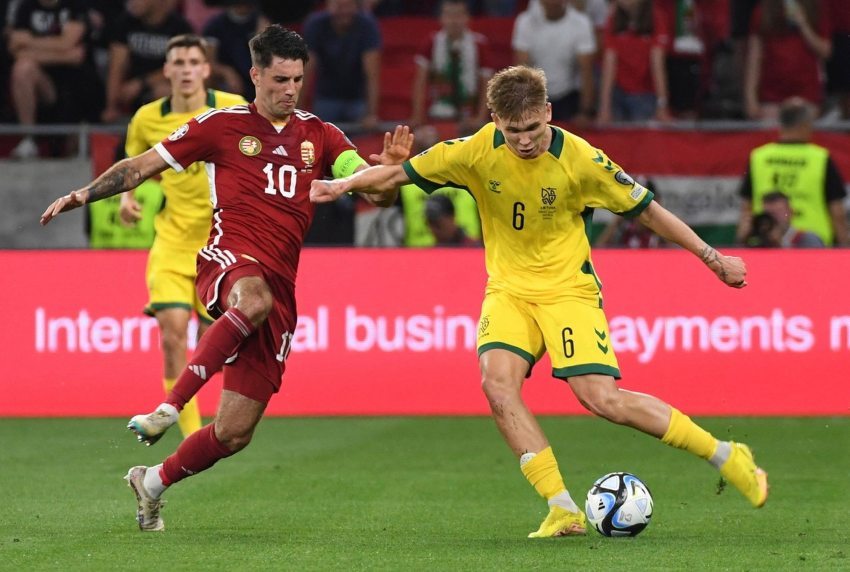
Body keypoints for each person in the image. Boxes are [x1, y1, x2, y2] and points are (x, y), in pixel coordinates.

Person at [311, 65, 768, 538]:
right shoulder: (473, 151)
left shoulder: (583, 160)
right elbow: (397, 175)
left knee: (602, 400)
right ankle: (562, 507)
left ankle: (727, 455)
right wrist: (342, 184)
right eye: (514, 132)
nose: (526, 140)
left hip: (568, 290)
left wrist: (712, 258)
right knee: (497, 385)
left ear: (548, 113)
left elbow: (648, 211)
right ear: (495, 121)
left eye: (534, 128)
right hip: (508, 291)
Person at [40, 24, 413, 532]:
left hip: (281, 285)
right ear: (255, 75)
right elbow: (143, 165)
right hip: (227, 258)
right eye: (280, 79)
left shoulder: (320, 135)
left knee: (235, 432)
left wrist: (389, 172)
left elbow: (373, 192)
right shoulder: (218, 125)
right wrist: (84, 194)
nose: (289, 89)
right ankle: (168, 409)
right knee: (252, 298)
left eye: (298, 79)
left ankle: (151, 482)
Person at [119, 34, 247, 440]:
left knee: (214, 343)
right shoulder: (146, 119)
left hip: (218, 247)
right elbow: (134, 166)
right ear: (167, 70)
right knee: (172, 336)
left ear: (206, 69)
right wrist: (128, 197)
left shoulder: (231, 107)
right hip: (171, 244)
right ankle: (187, 430)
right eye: (180, 62)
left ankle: (213, 417)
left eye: (195, 61)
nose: (187, 69)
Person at [736, 97, 848, 247]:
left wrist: (742, 240)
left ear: (781, 124)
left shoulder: (759, 156)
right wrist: (844, 247)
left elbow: (746, 208)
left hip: (766, 240)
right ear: (806, 125)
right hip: (813, 244)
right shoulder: (820, 157)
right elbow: (837, 213)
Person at [7, 0, 103, 159]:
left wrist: (29, 42)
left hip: (78, 84)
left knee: (80, 87)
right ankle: (29, 140)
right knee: (22, 68)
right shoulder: (25, 7)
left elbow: (71, 46)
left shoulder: (76, 5)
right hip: (44, 86)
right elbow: (16, 49)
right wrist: (64, 54)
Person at [101, 0, 192, 123]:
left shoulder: (179, 28)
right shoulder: (124, 23)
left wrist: (142, 83)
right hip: (130, 93)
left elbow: (181, 67)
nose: (132, 3)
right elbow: (116, 67)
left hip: (165, 88)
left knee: (164, 91)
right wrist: (111, 106)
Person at [410, 0, 494, 134]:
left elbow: (487, 84)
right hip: (438, 114)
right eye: (449, 15)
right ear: (441, 18)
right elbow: (420, 82)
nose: (454, 21)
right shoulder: (431, 42)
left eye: (458, 15)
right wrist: (418, 116)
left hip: (469, 116)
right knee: (422, 138)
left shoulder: (480, 44)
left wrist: (479, 118)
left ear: (467, 18)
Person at [743, 0, 831, 121]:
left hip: (806, 94)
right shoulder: (763, 11)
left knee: (802, 136)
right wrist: (750, 98)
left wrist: (803, 25)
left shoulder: (816, 8)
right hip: (772, 95)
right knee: (770, 136)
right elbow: (754, 59)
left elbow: (825, 51)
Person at [512, 0, 596, 123]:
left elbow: (586, 70)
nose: (552, 3)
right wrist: (521, 109)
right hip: (535, 95)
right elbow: (521, 70)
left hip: (569, 95)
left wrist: (585, 111)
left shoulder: (581, 23)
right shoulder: (525, 22)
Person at [302, 0, 382, 130]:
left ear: (357, 7)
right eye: (339, 6)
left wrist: (371, 114)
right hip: (326, 96)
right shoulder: (315, 24)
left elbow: (372, 74)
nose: (344, 11)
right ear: (328, 6)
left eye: (348, 6)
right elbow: (306, 70)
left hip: (357, 98)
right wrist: (295, 111)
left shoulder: (368, 25)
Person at [598, 0, 673, 124]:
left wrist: (662, 105)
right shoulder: (613, 19)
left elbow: (657, 65)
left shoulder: (656, 18)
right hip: (618, 92)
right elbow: (609, 65)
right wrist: (605, 107)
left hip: (645, 94)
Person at [745, 191, 825, 248]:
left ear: (791, 213)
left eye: (777, 213)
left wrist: (779, 243)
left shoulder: (807, 239)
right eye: (768, 214)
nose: (774, 219)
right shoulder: (756, 241)